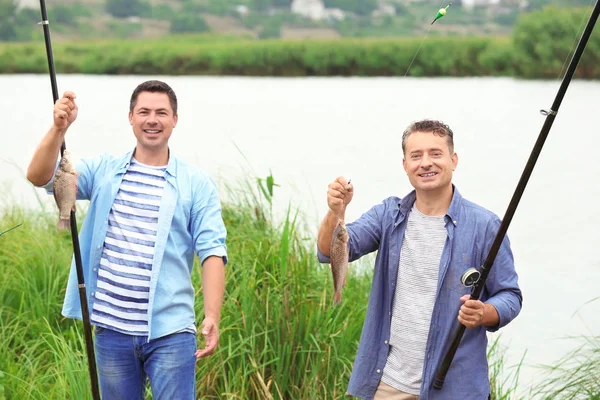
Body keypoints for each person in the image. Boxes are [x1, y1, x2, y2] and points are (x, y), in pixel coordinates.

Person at [26, 80, 228, 400]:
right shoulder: (104, 170)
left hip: (171, 332)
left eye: (161, 112)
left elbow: (213, 251)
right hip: (111, 330)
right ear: (131, 117)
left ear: (175, 119)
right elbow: (39, 176)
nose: (152, 119)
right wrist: (58, 129)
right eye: (144, 111)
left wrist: (212, 315)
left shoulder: (196, 184)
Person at [317, 119, 522, 400]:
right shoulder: (387, 215)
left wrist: (485, 313)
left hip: (456, 387)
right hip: (389, 383)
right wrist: (335, 211)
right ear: (405, 165)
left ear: (453, 159)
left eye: (435, 154)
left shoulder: (485, 226)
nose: (426, 163)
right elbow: (330, 251)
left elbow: (510, 295)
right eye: (416, 156)